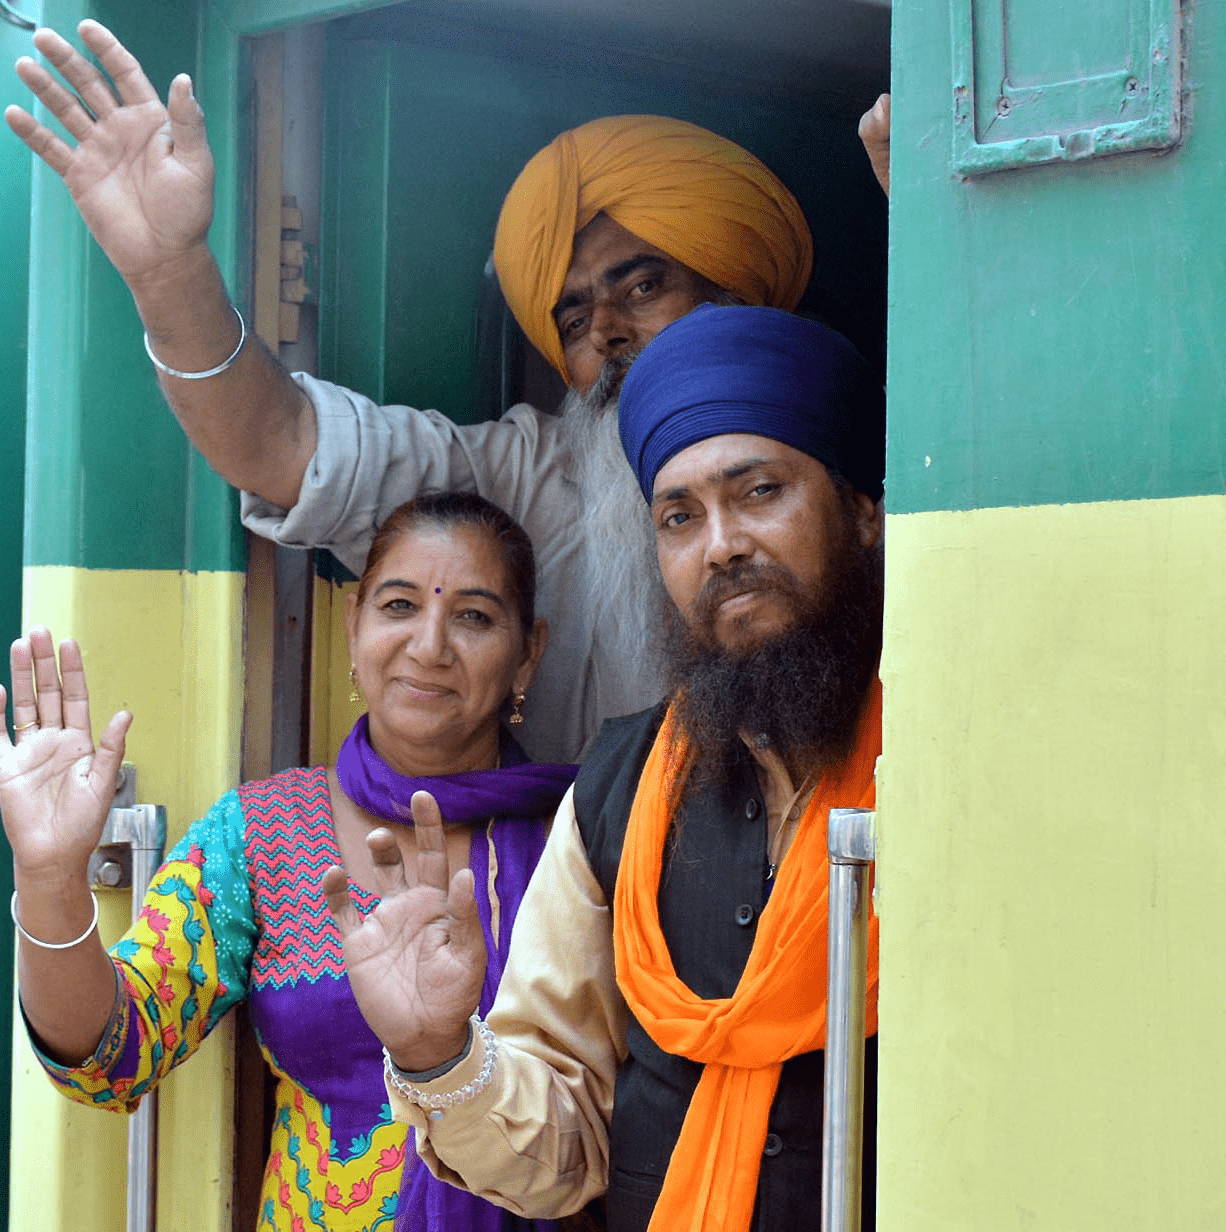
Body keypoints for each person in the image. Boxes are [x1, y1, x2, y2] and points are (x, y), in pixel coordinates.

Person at [5, 21, 837, 762]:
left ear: (738, 294)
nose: (608, 334)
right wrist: (167, 271)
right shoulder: (527, 474)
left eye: (645, 286)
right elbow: (281, 447)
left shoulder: (846, 468)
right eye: (573, 318)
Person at [324, 305, 888, 1232]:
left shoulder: (953, 754)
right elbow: (563, 1147)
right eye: (679, 516)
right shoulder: (617, 788)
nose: (721, 545)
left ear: (861, 512)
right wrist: (436, 1055)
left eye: (759, 493)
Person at [0, 492, 578, 1232]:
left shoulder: (581, 842)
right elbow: (111, 1056)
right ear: (352, 620)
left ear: (528, 652)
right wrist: (47, 879)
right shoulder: (265, 833)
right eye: (399, 606)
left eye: (474, 616)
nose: (430, 645)